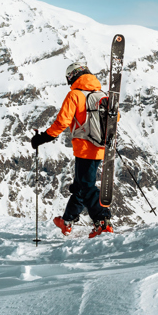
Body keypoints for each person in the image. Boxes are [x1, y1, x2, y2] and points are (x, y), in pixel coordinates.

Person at [30, 60, 113, 238]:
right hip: (101, 148)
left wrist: (42, 137)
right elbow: (115, 119)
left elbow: (62, 122)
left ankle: (102, 222)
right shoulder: (102, 94)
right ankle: (66, 220)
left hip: (85, 149)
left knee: (87, 187)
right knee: (80, 185)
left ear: (72, 77)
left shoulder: (75, 95)